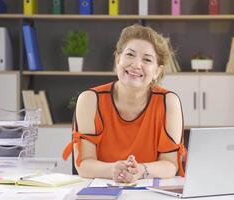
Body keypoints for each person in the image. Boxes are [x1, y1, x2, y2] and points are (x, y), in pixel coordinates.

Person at [62, 24, 186, 183]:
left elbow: (170, 164)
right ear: (117, 59)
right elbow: (84, 163)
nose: (136, 64)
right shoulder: (90, 100)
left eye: (147, 59)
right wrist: (113, 169)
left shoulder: (168, 102)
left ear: (157, 71)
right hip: (101, 190)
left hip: (149, 192)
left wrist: (141, 170)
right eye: (130, 55)